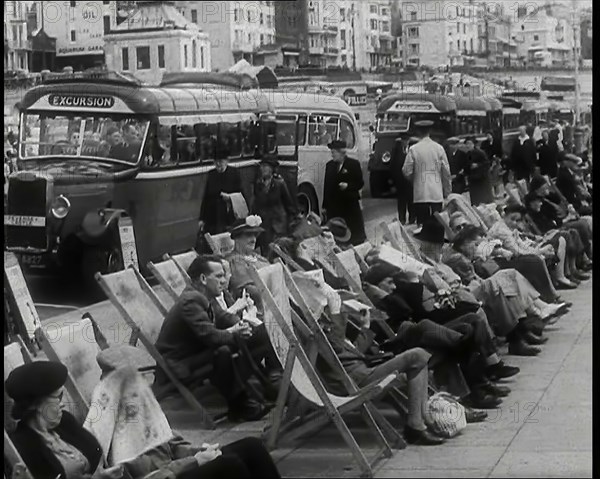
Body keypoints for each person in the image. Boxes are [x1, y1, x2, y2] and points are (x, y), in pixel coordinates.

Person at [5, 360, 281, 479]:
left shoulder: (64, 423)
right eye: (57, 397)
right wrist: (192, 462)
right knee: (229, 466)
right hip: (160, 475)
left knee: (251, 447)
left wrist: (196, 452)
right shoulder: (26, 448)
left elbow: (167, 443)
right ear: (35, 406)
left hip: (165, 470)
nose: (63, 403)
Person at [154, 254, 274, 422]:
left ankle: (259, 392)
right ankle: (244, 402)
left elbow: (223, 317)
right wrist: (235, 332)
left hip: (196, 354)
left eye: (224, 275)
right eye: (219, 276)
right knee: (223, 351)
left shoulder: (203, 296)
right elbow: (211, 336)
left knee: (262, 333)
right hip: (179, 363)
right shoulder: (191, 301)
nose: (224, 280)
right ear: (203, 278)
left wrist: (242, 325)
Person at [402, 120, 451, 227]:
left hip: (420, 193)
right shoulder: (439, 148)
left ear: (418, 132)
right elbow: (446, 172)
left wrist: (414, 180)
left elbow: (406, 170)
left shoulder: (413, 149)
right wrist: (447, 191)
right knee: (438, 222)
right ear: (430, 131)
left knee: (422, 225)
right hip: (436, 192)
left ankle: (424, 242)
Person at [323, 139, 366, 245]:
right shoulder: (329, 166)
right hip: (334, 207)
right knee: (337, 236)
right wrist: (324, 206)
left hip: (350, 207)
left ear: (341, 152)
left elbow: (360, 183)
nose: (332, 155)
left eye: (333, 152)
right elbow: (327, 187)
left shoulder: (353, 164)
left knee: (354, 237)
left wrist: (348, 186)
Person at [252, 154, 297, 254]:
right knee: (266, 252)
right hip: (264, 225)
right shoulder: (258, 184)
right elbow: (256, 204)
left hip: (278, 225)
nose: (262, 169)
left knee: (278, 252)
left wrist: (292, 222)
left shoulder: (279, 183)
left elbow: (289, 204)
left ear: (272, 169)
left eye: (265, 166)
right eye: (261, 166)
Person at [200, 147, 243, 235]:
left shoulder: (234, 173)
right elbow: (206, 197)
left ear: (227, 161)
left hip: (228, 215)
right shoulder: (211, 174)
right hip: (213, 215)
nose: (218, 164)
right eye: (216, 162)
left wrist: (230, 197)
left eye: (221, 161)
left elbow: (241, 194)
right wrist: (202, 219)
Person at [390, 136, 415, 223]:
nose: (405, 142)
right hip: (400, 180)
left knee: (411, 200)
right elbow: (392, 166)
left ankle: (412, 218)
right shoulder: (396, 151)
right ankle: (402, 219)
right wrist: (393, 182)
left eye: (406, 140)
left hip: (410, 180)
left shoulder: (412, 150)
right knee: (401, 201)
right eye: (403, 140)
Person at [463, 136, 494, 206]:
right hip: (473, 180)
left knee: (483, 198)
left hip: (482, 179)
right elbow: (467, 166)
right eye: (467, 144)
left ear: (474, 144)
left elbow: (487, 163)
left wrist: (478, 165)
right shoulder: (468, 154)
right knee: (475, 199)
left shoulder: (480, 152)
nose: (468, 146)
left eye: (470, 144)